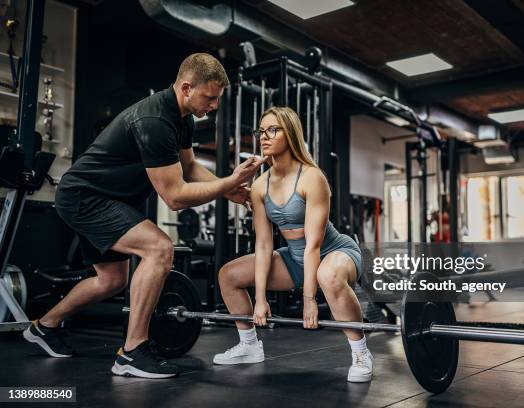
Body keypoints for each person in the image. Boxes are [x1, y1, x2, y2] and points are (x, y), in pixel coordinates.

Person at [22, 53, 266, 379]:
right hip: (87, 197)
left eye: (216, 98)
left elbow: (190, 168)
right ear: (186, 87)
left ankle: (44, 326)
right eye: (209, 97)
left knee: (111, 281)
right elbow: (175, 197)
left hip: (107, 199)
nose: (214, 105)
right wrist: (229, 182)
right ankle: (133, 351)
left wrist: (226, 189)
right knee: (159, 248)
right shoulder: (154, 122)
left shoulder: (183, 120)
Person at [213, 106, 374, 383]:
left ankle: (361, 352)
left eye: (273, 129)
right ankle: (249, 345)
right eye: (261, 131)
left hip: (334, 252)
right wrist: (260, 300)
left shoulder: (312, 177)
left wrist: (309, 300)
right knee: (229, 275)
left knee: (327, 275)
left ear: (290, 133)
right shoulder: (260, 185)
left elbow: (314, 245)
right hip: (295, 259)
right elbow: (263, 245)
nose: (264, 136)